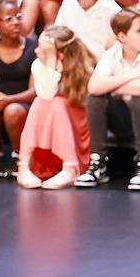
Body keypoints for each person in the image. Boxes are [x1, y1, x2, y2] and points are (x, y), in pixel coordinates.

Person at [82, 10, 140, 190]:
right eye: (138, 31)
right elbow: (93, 87)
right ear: (122, 37)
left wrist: (111, 87)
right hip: (121, 118)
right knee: (95, 98)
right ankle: (98, 161)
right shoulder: (112, 54)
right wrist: (136, 75)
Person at [15, 25, 95, 190]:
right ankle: (24, 165)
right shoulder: (38, 65)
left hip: (75, 120)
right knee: (39, 102)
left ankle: (70, 166)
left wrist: (51, 58)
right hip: (50, 119)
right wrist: (50, 63)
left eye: (42, 48)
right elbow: (45, 94)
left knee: (58, 103)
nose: (36, 51)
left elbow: (79, 101)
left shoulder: (82, 66)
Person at [0, 0, 36, 181]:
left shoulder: (34, 48)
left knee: (12, 111)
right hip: (4, 102)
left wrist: (8, 99)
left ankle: (20, 157)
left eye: (18, 17)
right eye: (9, 19)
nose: (16, 22)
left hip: (27, 105)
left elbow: (36, 91)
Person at [53, 0, 119, 59]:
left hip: (101, 66)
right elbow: (58, 33)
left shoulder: (109, 6)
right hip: (73, 63)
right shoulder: (69, 2)